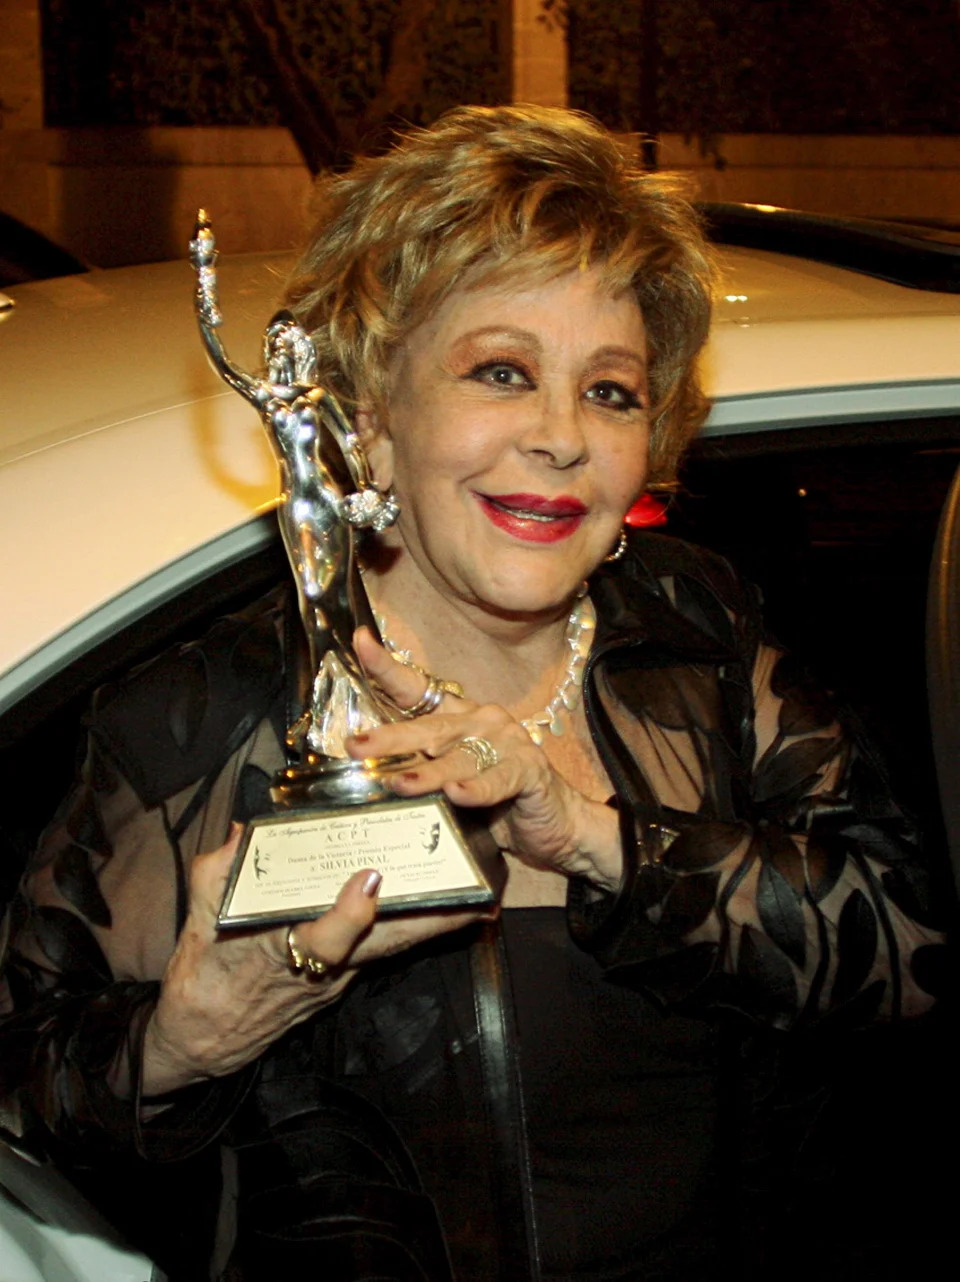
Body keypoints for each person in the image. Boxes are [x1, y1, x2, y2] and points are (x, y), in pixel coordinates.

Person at [0, 106, 947, 1282]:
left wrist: (598, 838)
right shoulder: (206, 715)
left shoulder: (700, 632)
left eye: (609, 390)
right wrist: (193, 1036)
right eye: (501, 372)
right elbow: (30, 1102)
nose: (558, 436)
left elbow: (911, 953)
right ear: (371, 420)